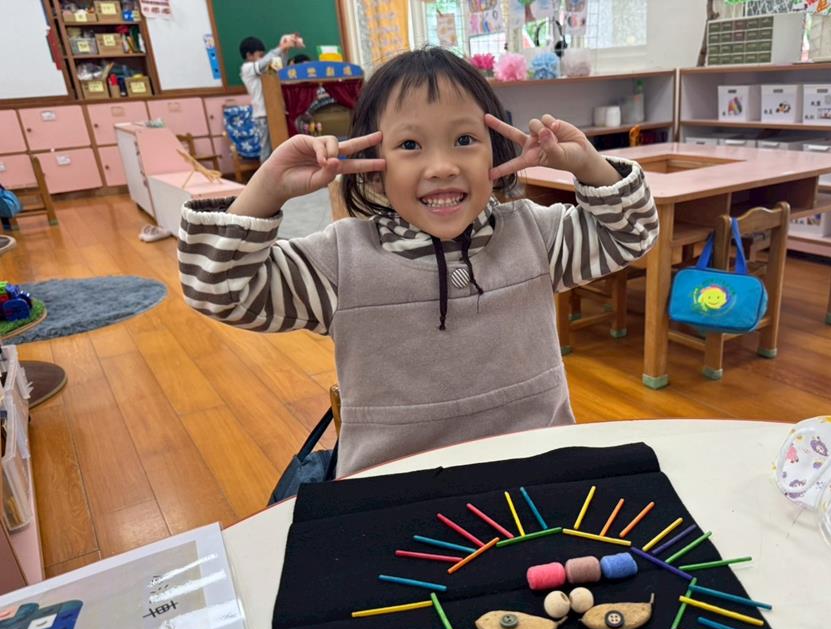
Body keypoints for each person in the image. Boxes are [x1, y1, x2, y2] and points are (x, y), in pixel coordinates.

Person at [178, 47, 658, 477]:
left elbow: (633, 233)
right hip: (393, 494)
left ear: (496, 151)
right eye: (410, 145)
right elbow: (218, 290)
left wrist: (588, 164)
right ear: (373, 169)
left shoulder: (536, 235)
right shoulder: (340, 263)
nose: (443, 166)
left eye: (465, 139)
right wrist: (266, 188)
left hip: (540, 473)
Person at [239, 34, 303, 161]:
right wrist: (281, 47)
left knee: (280, 147)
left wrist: (285, 50)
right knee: (267, 151)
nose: (263, 58)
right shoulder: (247, 68)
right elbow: (264, 63)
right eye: (260, 55)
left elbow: (279, 67)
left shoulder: (262, 67)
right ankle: (265, 173)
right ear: (249, 55)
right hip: (262, 115)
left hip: (274, 111)